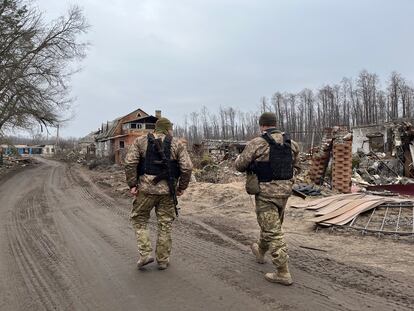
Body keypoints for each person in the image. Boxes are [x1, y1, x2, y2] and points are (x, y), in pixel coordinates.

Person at [235, 112, 300, 285]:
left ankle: (282, 271)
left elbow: (240, 165)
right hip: (285, 192)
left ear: (262, 125)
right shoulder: (291, 144)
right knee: (271, 225)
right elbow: (297, 167)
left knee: (273, 231)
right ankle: (260, 250)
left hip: (265, 194)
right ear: (275, 123)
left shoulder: (257, 143)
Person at [124, 117, 193, 270]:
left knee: (139, 219)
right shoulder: (177, 144)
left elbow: (130, 163)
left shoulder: (140, 141)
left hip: (146, 190)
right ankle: (162, 260)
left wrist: (132, 184)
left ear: (155, 128)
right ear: (168, 129)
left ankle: (145, 254)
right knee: (165, 224)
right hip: (168, 191)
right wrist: (181, 187)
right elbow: (187, 168)